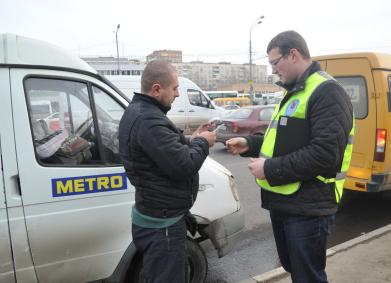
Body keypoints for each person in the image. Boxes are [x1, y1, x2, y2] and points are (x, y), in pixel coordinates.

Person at [226, 31, 354, 283]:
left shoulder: (327, 93)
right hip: (286, 201)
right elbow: (285, 143)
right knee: (296, 271)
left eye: (275, 63)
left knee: (308, 277)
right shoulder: (295, 91)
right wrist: (250, 144)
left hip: (308, 206)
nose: (273, 71)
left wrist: (270, 169)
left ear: (293, 54)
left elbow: (325, 155)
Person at [118, 60, 216, 283]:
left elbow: (162, 150)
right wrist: (202, 143)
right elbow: (184, 166)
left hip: (157, 216)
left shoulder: (142, 112)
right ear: (156, 89)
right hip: (163, 228)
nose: (177, 93)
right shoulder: (147, 119)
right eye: (174, 88)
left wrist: (192, 139)